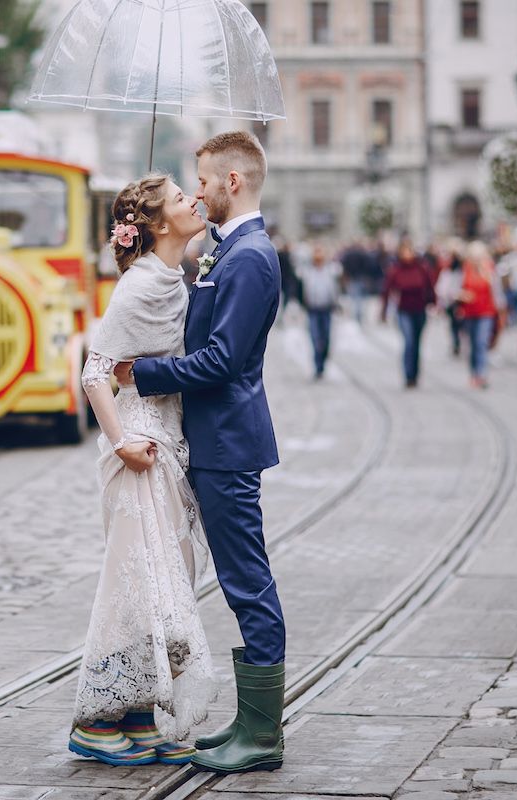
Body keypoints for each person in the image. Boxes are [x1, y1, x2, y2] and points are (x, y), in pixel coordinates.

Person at [117, 131, 286, 775]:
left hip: (229, 442)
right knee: (241, 578)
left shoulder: (249, 257)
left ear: (233, 183)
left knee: (247, 580)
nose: (201, 192)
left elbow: (222, 360)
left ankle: (263, 734)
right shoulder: (226, 251)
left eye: (206, 182)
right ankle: (248, 721)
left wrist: (144, 374)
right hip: (213, 440)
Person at [69, 175, 213, 768]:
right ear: (156, 225)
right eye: (182, 199)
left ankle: (136, 715)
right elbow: (95, 369)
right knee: (133, 582)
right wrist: (122, 440)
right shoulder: (140, 287)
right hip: (141, 448)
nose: (194, 202)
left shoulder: (174, 277)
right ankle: (95, 721)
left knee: (159, 583)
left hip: (167, 441)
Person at [381, 240, 436, 388]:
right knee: (409, 342)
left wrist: (433, 303)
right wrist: (384, 311)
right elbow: (387, 290)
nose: (407, 255)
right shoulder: (395, 269)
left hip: (419, 309)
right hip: (403, 310)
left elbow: (430, 286)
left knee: (417, 343)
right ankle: (408, 374)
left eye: (409, 251)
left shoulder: (422, 268)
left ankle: (415, 373)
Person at [459, 242, 504, 390]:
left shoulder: (490, 270)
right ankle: (473, 372)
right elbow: (454, 288)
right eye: (474, 257)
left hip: (486, 312)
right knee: (471, 345)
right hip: (469, 312)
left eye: (479, 257)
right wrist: (462, 295)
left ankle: (481, 374)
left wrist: (502, 310)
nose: (477, 260)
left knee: (481, 343)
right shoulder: (464, 270)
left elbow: (497, 292)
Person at [299, 242, 342, 379]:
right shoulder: (307, 270)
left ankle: (323, 359)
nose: (318, 256)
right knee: (315, 337)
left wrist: (336, 303)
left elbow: (336, 287)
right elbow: (301, 286)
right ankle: (318, 366)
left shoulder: (331, 269)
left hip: (327, 309)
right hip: (312, 309)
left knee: (326, 338)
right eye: (316, 252)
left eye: (321, 252)